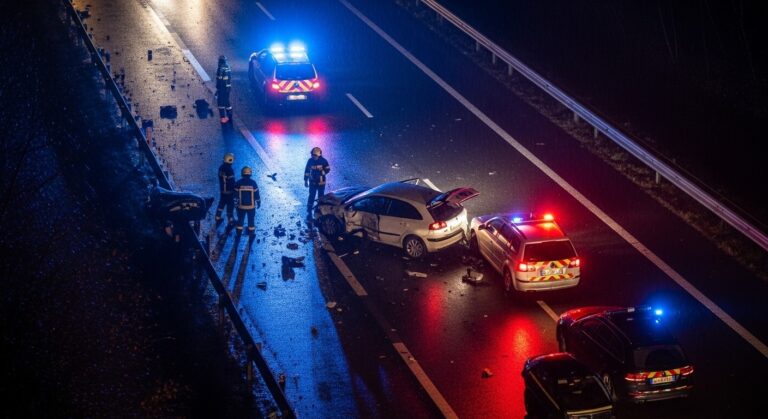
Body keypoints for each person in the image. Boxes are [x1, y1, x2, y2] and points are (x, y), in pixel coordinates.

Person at [234, 166, 261, 236]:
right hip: (251, 207)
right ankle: (251, 232)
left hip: (241, 206)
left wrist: (235, 204)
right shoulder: (253, 183)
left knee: (240, 219)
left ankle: (238, 232)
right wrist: (258, 202)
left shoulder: (238, 183)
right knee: (251, 220)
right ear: (250, 173)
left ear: (242, 173)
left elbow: (235, 195)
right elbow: (257, 194)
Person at [304, 147, 330, 213]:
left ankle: (320, 208)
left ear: (318, 155)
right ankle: (309, 208)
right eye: (312, 155)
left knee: (321, 195)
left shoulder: (323, 161)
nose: (312, 156)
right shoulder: (310, 161)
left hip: (321, 182)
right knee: (311, 195)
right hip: (312, 181)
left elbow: (328, 169)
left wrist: (321, 172)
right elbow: (307, 171)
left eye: (314, 155)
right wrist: (305, 180)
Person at [215, 152, 236, 226]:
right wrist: (235, 190)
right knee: (230, 205)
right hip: (229, 191)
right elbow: (232, 182)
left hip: (222, 190)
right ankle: (231, 220)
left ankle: (217, 217)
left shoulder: (221, 168)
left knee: (221, 204)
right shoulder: (230, 170)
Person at [215, 55, 233, 124]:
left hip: (222, 88)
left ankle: (223, 118)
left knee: (220, 103)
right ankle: (229, 116)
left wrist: (218, 88)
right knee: (227, 102)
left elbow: (219, 79)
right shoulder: (227, 67)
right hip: (228, 88)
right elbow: (229, 78)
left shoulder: (220, 68)